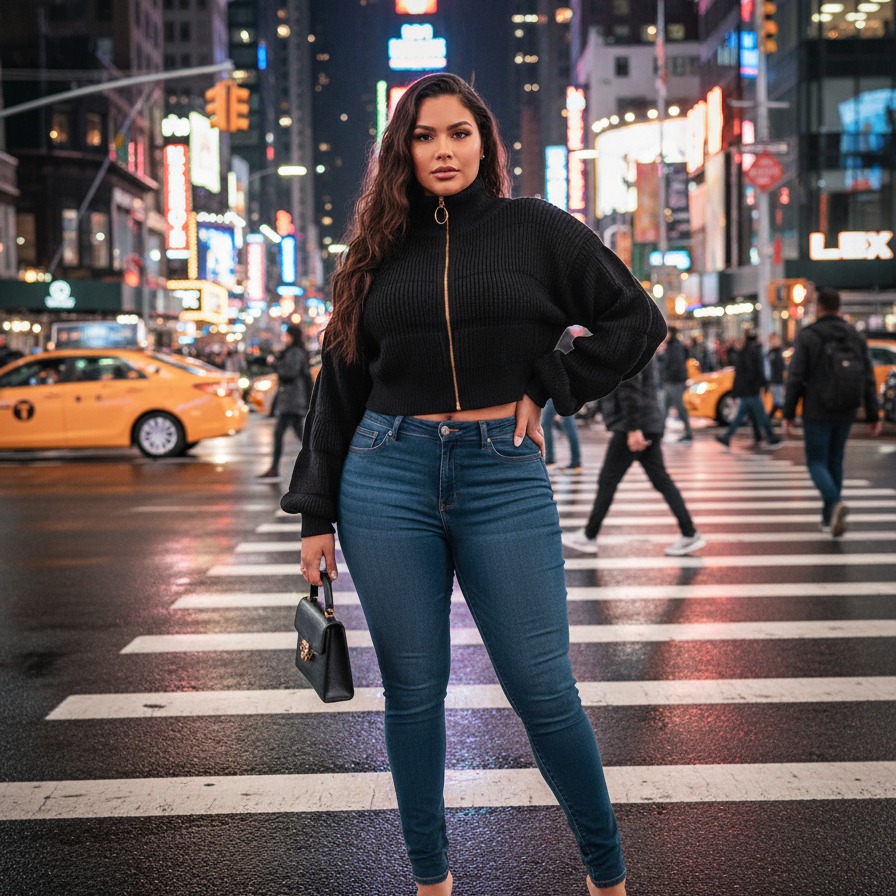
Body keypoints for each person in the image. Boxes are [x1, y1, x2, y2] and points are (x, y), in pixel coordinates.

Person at [280, 73, 666, 896]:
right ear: (402, 151)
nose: (442, 150)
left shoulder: (536, 230)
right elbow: (339, 384)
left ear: (485, 142)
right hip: (385, 475)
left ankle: (608, 879)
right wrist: (315, 510)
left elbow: (638, 321)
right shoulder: (375, 252)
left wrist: (549, 382)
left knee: (543, 688)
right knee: (414, 695)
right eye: (423, 137)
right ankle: (431, 883)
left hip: (502, 473)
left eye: (458, 133)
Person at [565, 357, 706, 557]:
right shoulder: (641, 346)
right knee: (661, 480)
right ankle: (689, 532)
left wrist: (633, 429)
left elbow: (630, 390)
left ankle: (589, 535)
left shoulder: (631, 348)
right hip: (647, 424)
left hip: (633, 428)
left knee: (608, 480)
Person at [782, 288, 881, 536]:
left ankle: (834, 502)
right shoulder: (855, 336)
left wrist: (788, 412)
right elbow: (868, 378)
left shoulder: (809, 336)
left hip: (817, 409)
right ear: (839, 307)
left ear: (819, 307)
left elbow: (796, 377)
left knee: (816, 462)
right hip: (848, 408)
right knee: (835, 460)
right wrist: (872, 415)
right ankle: (828, 519)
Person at [257, 325, 312, 482]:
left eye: (286, 335)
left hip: (292, 401)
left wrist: (275, 363)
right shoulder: (295, 351)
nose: (284, 338)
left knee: (281, 433)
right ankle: (316, 463)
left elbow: (290, 373)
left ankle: (275, 469)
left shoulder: (295, 352)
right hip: (292, 400)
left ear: (292, 336)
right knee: (299, 435)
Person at [715, 329, 783, 450]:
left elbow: (739, 374)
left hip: (746, 390)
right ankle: (771, 437)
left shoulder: (743, 352)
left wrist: (736, 390)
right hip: (752, 390)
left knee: (747, 415)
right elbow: (759, 371)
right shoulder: (756, 352)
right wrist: (763, 384)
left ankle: (751, 436)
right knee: (760, 415)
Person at [658, 326, 694, 443]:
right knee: (664, 408)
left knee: (680, 408)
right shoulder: (671, 347)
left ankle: (688, 433)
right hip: (670, 381)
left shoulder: (675, 347)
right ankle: (659, 432)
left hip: (675, 382)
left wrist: (665, 372)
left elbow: (675, 365)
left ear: (671, 334)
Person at [542, 397, 582, 471]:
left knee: (546, 423)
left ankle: (549, 459)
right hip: (567, 389)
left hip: (556, 389)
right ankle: (576, 461)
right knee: (568, 422)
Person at [766, 332, 787, 420]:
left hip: (778, 382)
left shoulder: (778, 353)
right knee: (779, 403)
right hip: (775, 382)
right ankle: (787, 418)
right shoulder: (771, 354)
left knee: (777, 403)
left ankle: (768, 420)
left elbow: (783, 368)